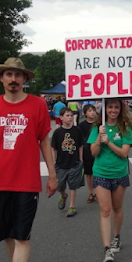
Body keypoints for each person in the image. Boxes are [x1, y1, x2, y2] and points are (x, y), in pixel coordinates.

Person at [0, 57, 58, 262]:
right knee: (6, 235)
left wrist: (52, 175)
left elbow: (44, 141)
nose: (13, 79)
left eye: (18, 75)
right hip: (1, 182)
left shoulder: (38, 104)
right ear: (2, 79)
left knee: (22, 237)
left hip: (27, 182)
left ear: (24, 78)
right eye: (9, 74)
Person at [87, 99, 132, 262]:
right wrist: (100, 138)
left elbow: (124, 153)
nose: (113, 110)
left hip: (120, 173)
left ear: (121, 109)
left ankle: (116, 236)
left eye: (116, 107)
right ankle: (107, 248)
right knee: (105, 210)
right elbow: (93, 152)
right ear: (105, 109)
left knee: (117, 208)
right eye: (110, 107)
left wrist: (109, 142)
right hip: (101, 173)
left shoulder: (126, 128)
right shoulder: (97, 128)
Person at [51, 107, 84, 217]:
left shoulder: (77, 130)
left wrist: (80, 159)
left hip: (74, 163)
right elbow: (54, 148)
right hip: (61, 163)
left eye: (71, 115)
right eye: (67, 115)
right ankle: (63, 195)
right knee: (60, 185)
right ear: (61, 118)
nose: (70, 118)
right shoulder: (57, 132)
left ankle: (72, 206)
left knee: (73, 185)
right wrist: (53, 161)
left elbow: (80, 145)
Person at [78, 104, 98, 203]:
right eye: (90, 111)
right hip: (86, 152)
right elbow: (79, 140)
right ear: (85, 113)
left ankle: (99, 192)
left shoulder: (99, 124)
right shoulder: (81, 125)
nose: (92, 112)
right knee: (89, 174)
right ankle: (91, 192)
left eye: (93, 110)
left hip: (98, 151)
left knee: (98, 173)